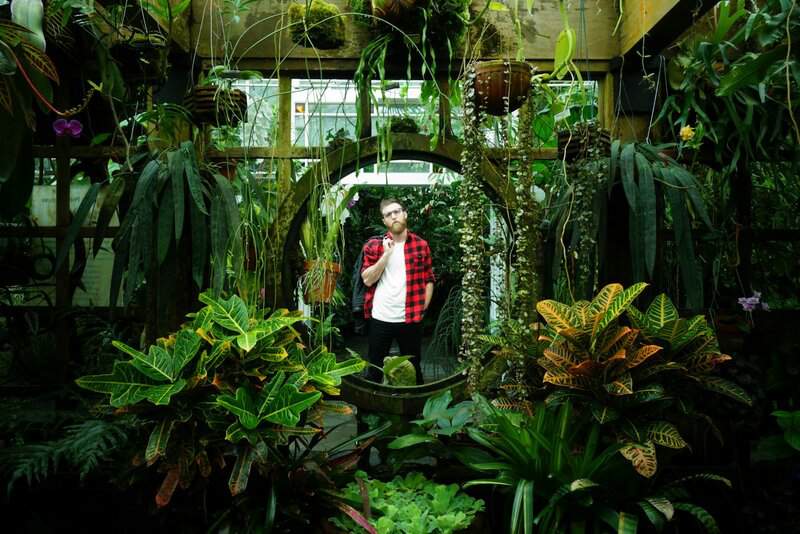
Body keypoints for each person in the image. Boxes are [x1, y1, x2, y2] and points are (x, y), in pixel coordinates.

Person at [360, 198, 434, 384]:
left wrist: (423, 307)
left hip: (410, 318)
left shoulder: (421, 245)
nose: (394, 217)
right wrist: (386, 255)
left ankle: (415, 411)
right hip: (380, 317)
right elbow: (367, 279)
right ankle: (369, 411)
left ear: (405, 214)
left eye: (397, 212)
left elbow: (429, 278)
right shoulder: (374, 246)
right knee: (375, 369)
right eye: (388, 215)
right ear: (384, 221)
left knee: (414, 368)